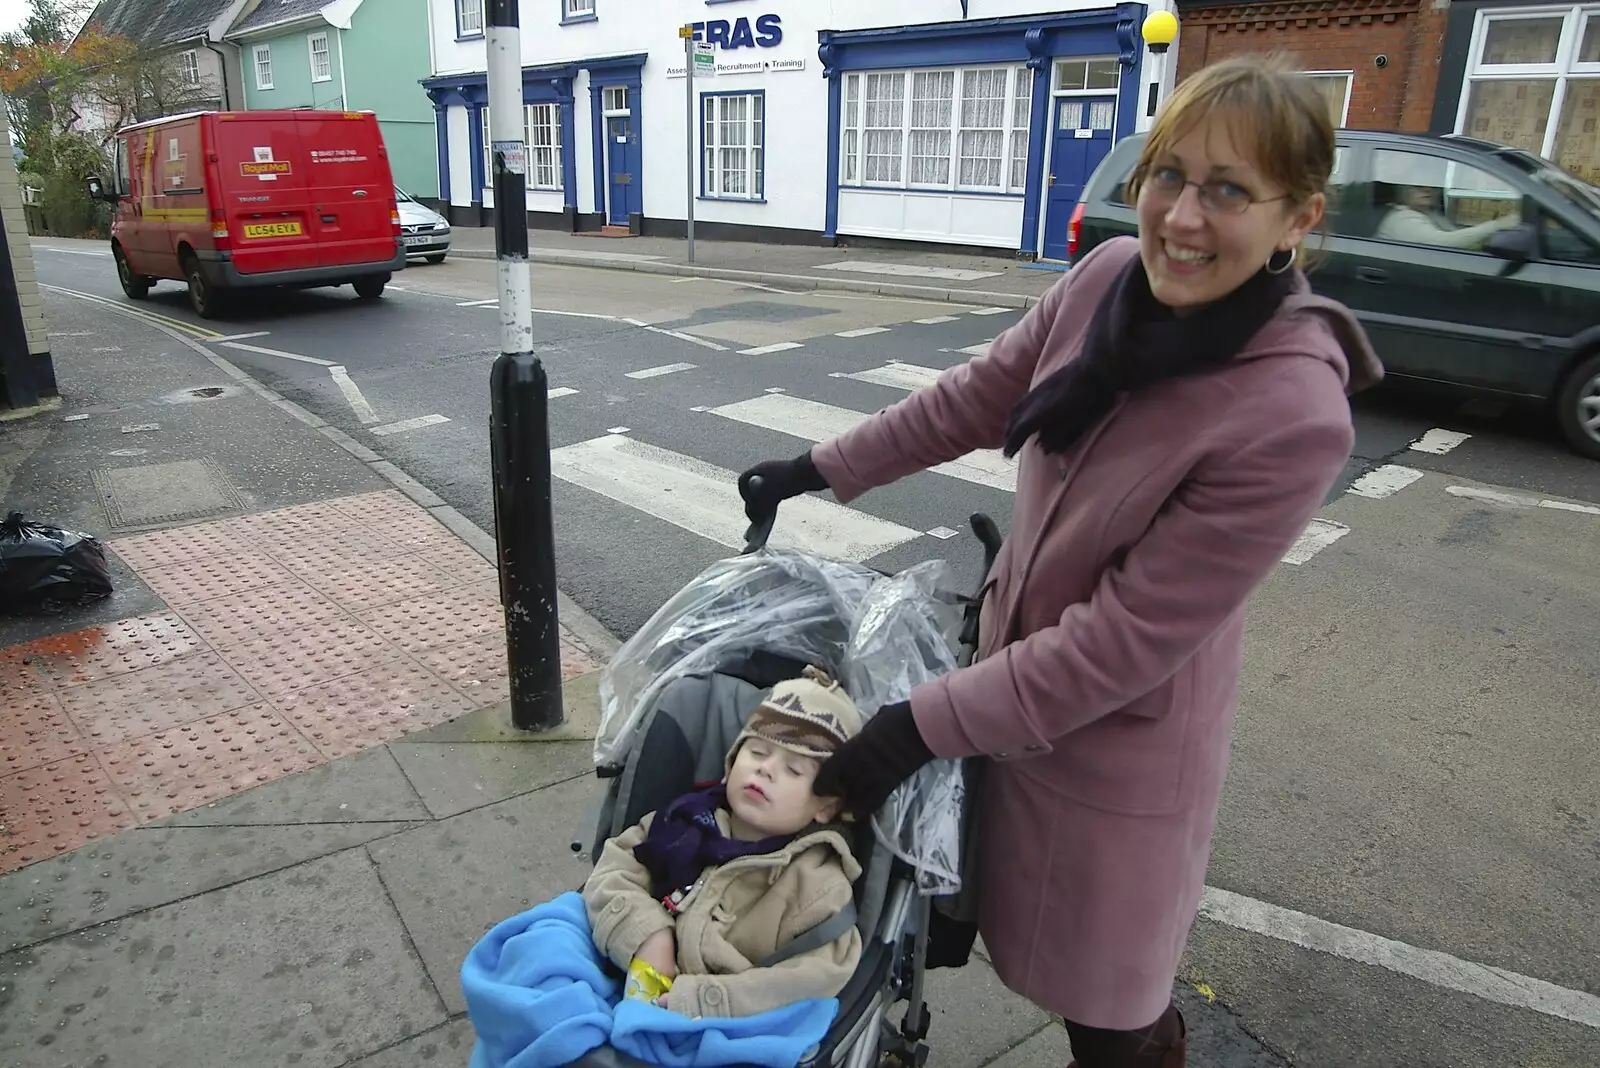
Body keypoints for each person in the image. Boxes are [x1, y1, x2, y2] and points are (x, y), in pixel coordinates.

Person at [737, 56, 1383, 1068]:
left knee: (1110, 1015)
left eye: (1228, 191)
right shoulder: (1104, 281)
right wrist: (815, 467)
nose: (1179, 216)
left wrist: (917, 727)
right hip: (1002, 692)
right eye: (1170, 174)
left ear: (1296, 220)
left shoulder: (1288, 413)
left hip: (1111, 750)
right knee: (973, 924)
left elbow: (1118, 648)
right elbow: (974, 396)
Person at [581, 666, 864, 1020]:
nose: (766, 770)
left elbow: (815, 977)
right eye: (757, 753)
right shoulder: (682, 819)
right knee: (544, 939)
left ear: (827, 806)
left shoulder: (818, 886)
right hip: (628, 968)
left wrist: (706, 1000)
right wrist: (647, 936)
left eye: (794, 770)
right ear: (731, 764)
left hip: (725, 1023)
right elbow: (615, 868)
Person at [1376, 183, 1520, 249]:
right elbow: (1443, 242)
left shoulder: (1429, 213)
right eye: (1418, 186)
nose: (1427, 189)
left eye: (1432, 186)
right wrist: (1496, 226)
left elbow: (1458, 236)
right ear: (1403, 190)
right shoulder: (1402, 219)